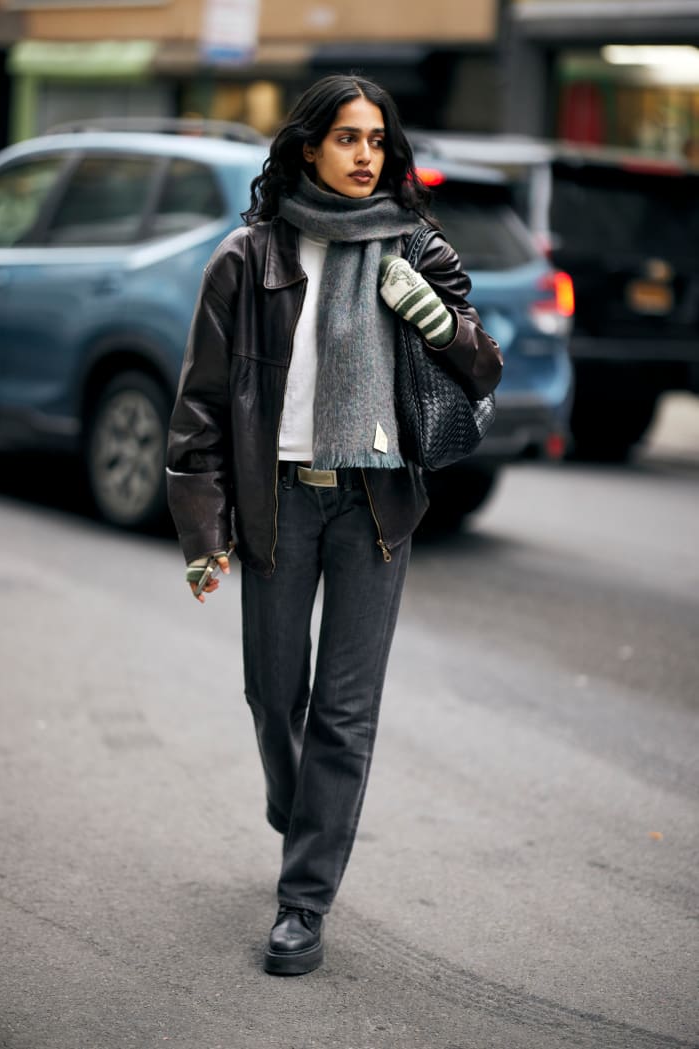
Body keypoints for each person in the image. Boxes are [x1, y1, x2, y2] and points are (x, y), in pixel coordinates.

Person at [166, 74, 503, 976]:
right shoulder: (249, 257)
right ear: (309, 146)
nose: (366, 155)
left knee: (345, 715)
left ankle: (301, 904)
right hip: (280, 498)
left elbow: (482, 364)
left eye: (377, 140)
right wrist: (205, 532)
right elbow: (200, 407)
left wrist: (436, 321)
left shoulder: (419, 248)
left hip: (376, 504)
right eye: (347, 138)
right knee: (274, 695)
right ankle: (299, 803)